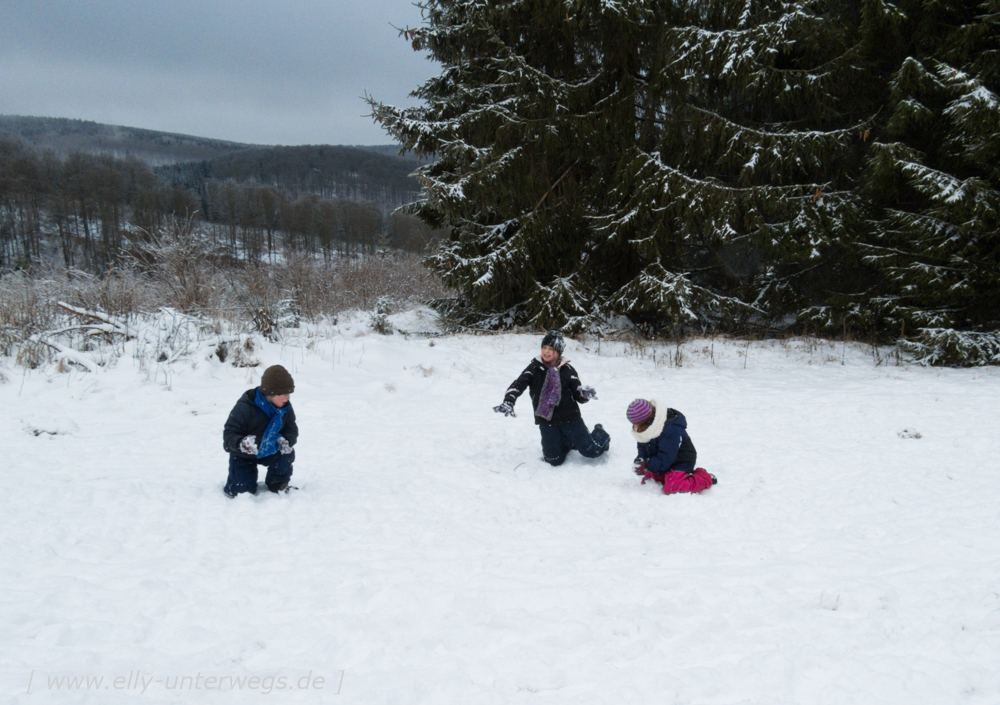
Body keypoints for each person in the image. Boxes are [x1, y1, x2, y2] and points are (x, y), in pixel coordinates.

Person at [494, 330, 610, 466]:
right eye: (544, 347)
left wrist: (585, 394)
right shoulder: (534, 368)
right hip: (547, 421)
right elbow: (518, 384)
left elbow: (578, 395)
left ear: (559, 352)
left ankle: (599, 432)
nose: (546, 352)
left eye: (551, 349)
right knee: (554, 460)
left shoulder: (568, 370)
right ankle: (567, 440)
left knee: (592, 451)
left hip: (570, 419)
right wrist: (509, 401)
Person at [223, 364, 298, 497]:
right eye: (285, 394)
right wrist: (241, 444)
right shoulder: (245, 407)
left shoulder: (285, 408)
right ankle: (236, 485)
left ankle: (277, 483)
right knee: (242, 491)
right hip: (245, 453)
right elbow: (229, 433)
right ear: (271, 393)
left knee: (286, 453)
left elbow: (291, 428)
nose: (288, 398)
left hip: (270, 448)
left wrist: (286, 440)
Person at [627, 398, 716, 494]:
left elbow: (666, 457)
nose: (634, 427)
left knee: (672, 487)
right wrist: (641, 459)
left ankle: (704, 477)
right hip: (664, 460)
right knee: (650, 479)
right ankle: (667, 474)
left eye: (636, 424)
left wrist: (648, 465)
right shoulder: (646, 429)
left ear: (645, 420)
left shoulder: (670, 430)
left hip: (681, 461)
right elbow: (643, 446)